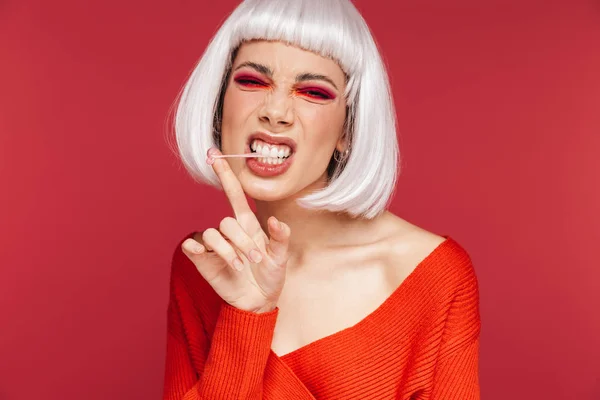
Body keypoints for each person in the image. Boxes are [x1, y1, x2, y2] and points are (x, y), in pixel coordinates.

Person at [163, 0, 481, 399]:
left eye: (312, 91)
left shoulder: (435, 277)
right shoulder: (201, 265)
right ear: (218, 103)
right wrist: (245, 317)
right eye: (252, 82)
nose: (275, 112)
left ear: (348, 128)